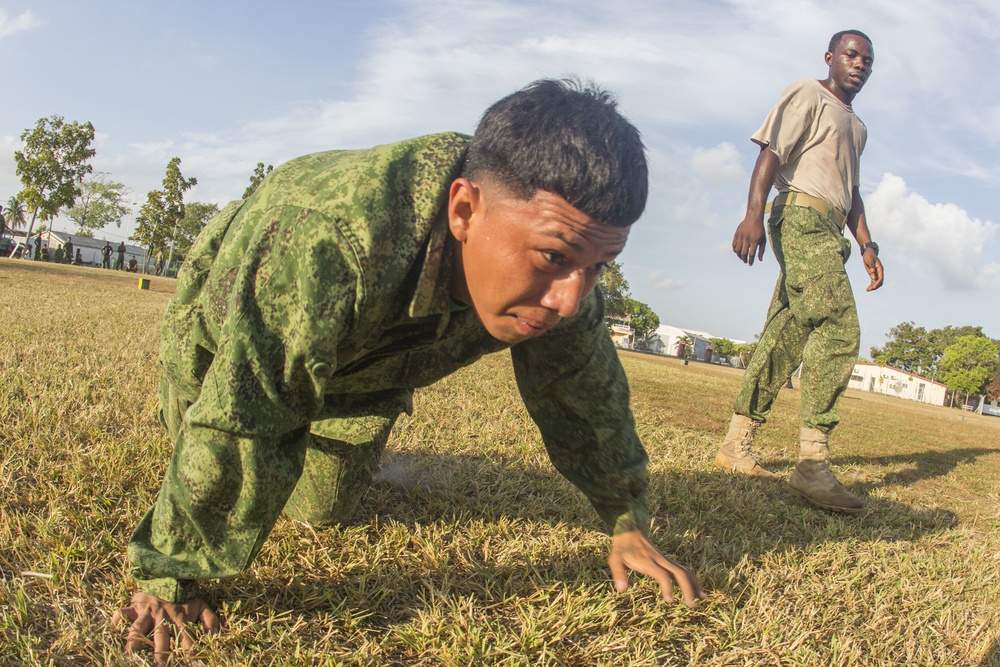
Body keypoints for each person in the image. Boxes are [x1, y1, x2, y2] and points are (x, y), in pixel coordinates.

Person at [111, 79, 705, 663]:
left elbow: (584, 397)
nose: (570, 299)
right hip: (229, 345)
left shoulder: (566, 275)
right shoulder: (329, 233)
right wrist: (172, 577)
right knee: (237, 449)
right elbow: (248, 406)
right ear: (465, 209)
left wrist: (625, 518)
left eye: (599, 266)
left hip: (362, 374)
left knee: (323, 510)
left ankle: (317, 429)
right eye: (553, 258)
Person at [715, 30, 883, 514]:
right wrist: (753, 214)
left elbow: (851, 191)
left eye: (867, 60)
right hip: (800, 216)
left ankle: (735, 443)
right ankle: (812, 464)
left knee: (785, 335)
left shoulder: (859, 127)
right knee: (837, 324)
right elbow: (770, 153)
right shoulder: (808, 93)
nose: (860, 64)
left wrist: (867, 244)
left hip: (831, 228)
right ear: (830, 58)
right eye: (851, 55)